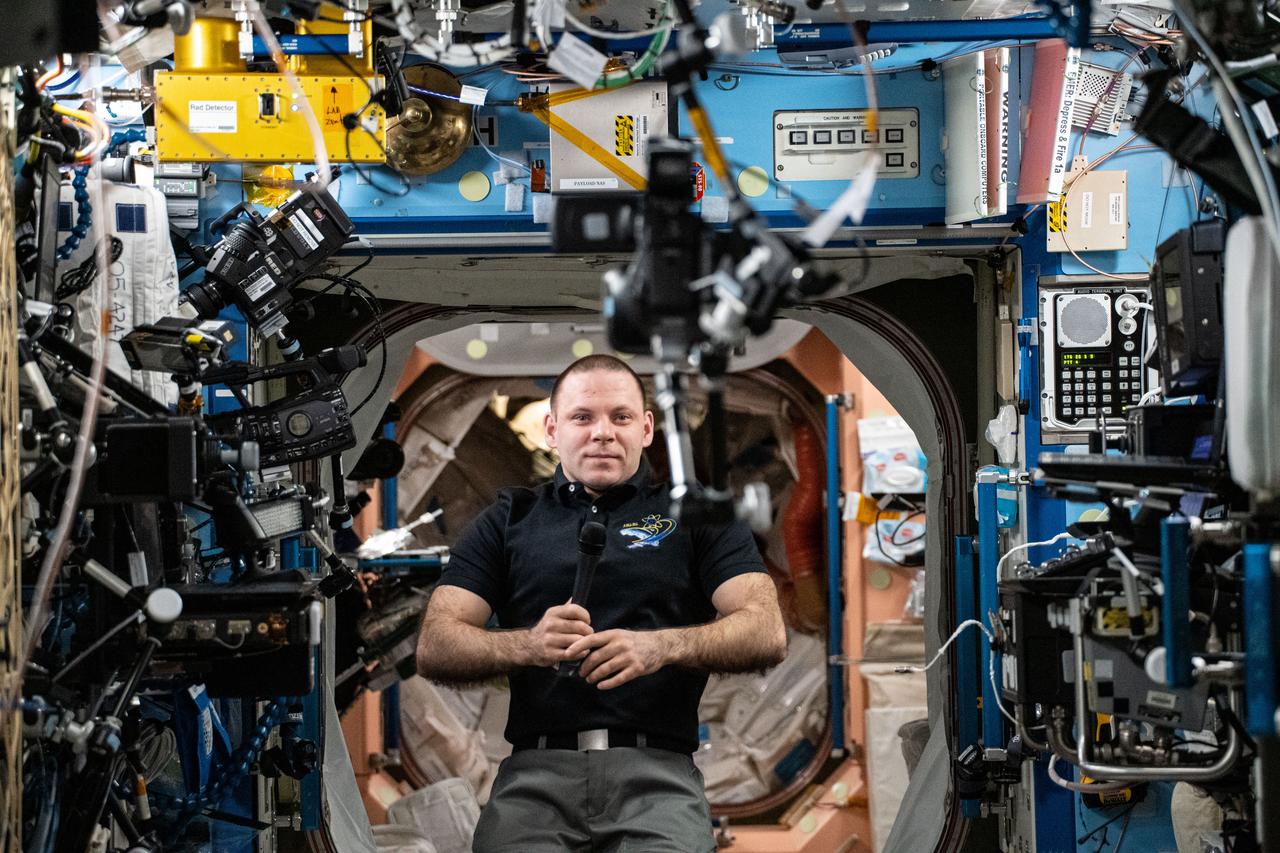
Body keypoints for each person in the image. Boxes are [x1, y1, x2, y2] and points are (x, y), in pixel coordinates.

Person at [416, 354, 788, 853]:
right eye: (582, 417)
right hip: (534, 780)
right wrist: (529, 645)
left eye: (621, 416)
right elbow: (436, 644)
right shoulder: (508, 520)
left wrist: (662, 647)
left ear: (647, 428)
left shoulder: (698, 515)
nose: (603, 433)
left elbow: (766, 629)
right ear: (552, 429)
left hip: (658, 780)